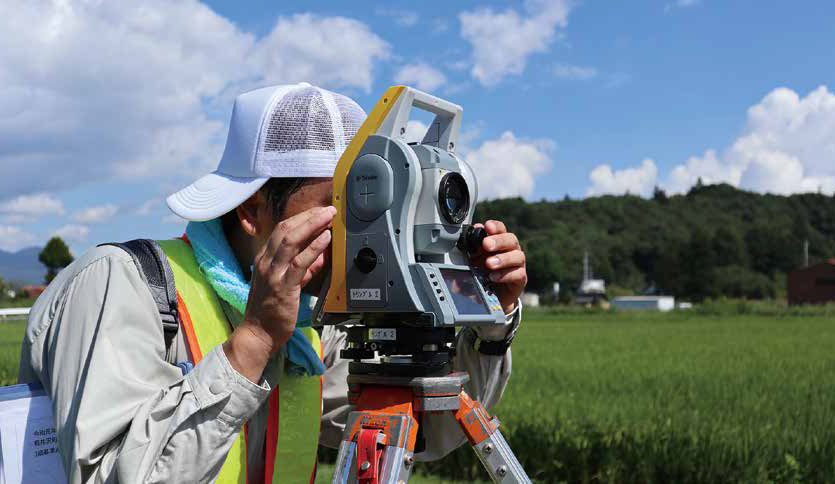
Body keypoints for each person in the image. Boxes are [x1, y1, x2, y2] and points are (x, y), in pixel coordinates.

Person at [18, 83, 528, 483]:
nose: (359, 233)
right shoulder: (120, 285)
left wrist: (491, 331)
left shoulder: (311, 323)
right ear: (251, 210)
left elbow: (425, 432)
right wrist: (255, 341)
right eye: (340, 208)